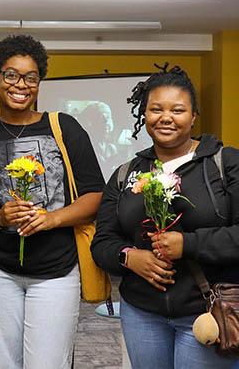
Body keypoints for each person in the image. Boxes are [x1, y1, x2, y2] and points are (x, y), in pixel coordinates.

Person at [0, 35, 105, 369]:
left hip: (56, 271)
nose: (20, 85)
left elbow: (95, 196)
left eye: (31, 77)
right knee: (2, 364)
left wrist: (52, 219)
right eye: (11, 75)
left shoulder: (64, 128)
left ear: (39, 83)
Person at [91, 66, 239, 368]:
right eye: (156, 109)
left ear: (194, 116)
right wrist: (128, 257)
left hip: (207, 312)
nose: (166, 117)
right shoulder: (125, 174)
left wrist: (188, 244)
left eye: (178, 109)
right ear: (144, 114)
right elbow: (102, 242)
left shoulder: (226, 163)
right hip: (141, 315)